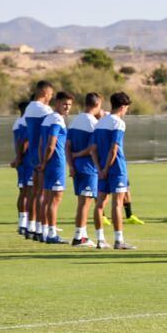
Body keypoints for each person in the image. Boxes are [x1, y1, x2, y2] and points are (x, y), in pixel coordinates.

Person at [92, 92, 136, 250]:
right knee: (117, 204)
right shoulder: (118, 123)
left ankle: (100, 240)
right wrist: (106, 168)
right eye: (127, 109)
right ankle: (119, 241)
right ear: (123, 107)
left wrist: (99, 168)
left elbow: (93, 149)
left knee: (99, 205)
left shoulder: (99, 123)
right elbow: (114, 149)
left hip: (102, 169)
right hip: (116, 169)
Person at [67, 92, 102, 247]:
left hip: (77, 167)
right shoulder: (93, 123)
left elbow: (67, 147)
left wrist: (71, 164)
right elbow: (92, 149)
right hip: (88, 167)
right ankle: (78, 238)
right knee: (85, 203)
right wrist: (78, 154)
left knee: (82, 202)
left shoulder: (74, 121)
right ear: (97, 104)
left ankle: (83, 235)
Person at [38, 91, 73, 244]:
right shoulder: (57, 120)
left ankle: (43, 230)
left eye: (70, 105)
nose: (67, 107)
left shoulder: (47, 119)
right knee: (55, 199)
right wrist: (45, 162)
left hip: (49, 163)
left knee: (46, 198)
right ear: (57, 102)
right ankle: (52, 234)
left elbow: (41, 143)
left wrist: (41, 161)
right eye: (65, 103)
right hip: (56, 163)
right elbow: (51, 145)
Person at [23, 81, 54, 241]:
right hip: (42, 154)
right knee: (43, 193)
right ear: (44, 92)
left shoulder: (28, 108)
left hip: (32, 154)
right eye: (50, 94)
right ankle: (42, 229)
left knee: (34, 193)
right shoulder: (45, 110)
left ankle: (30, 226)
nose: (50, 98)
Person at [10, 101, 31, 236]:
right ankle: (27, 224)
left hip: (22, 161)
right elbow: (23, 142)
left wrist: (17, 158)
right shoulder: (26, 122)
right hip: (27, 161)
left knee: (23, 191)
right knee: (28, 193)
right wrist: (19, 157)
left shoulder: (17, 122)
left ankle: (23, 222)